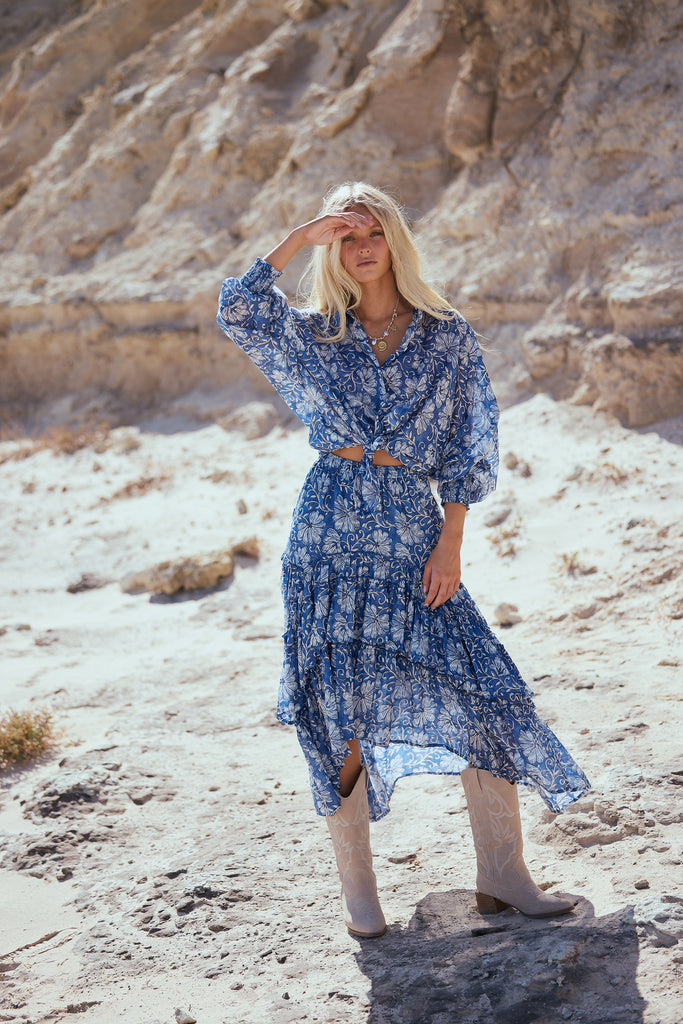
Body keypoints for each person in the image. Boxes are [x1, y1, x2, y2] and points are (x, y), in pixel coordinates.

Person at [216, 182, 590, 939]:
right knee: (340, 712)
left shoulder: (446, 334)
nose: (359, 248)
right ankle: (358, 891)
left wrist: (451, 538)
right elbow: (239, 310)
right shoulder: (317, 332)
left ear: (395, 242)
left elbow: (467, 443)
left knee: (482, 689)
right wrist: (299, 234)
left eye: (372, 233)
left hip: (410, 527)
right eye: (346, 237)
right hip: (326, 531)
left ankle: (502, 876)